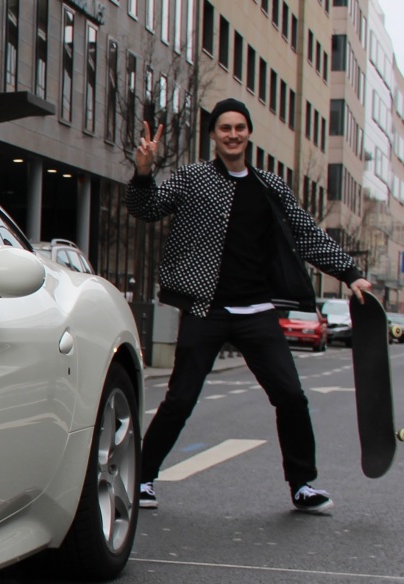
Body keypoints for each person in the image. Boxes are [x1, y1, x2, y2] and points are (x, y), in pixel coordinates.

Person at [126, 98, 371, 514]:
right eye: (225, 128)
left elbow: (307, 235)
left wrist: (350, 273)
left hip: (257, 311)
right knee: (180, 399)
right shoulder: (193, 178)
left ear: (249, 133)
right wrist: (144, 172)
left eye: (239, 127)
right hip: (206, 310)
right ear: (214, 136)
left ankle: (303, 484)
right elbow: (145, 208)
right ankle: (143, 477)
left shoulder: (270, 186)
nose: (233, 135)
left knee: (291, 396)